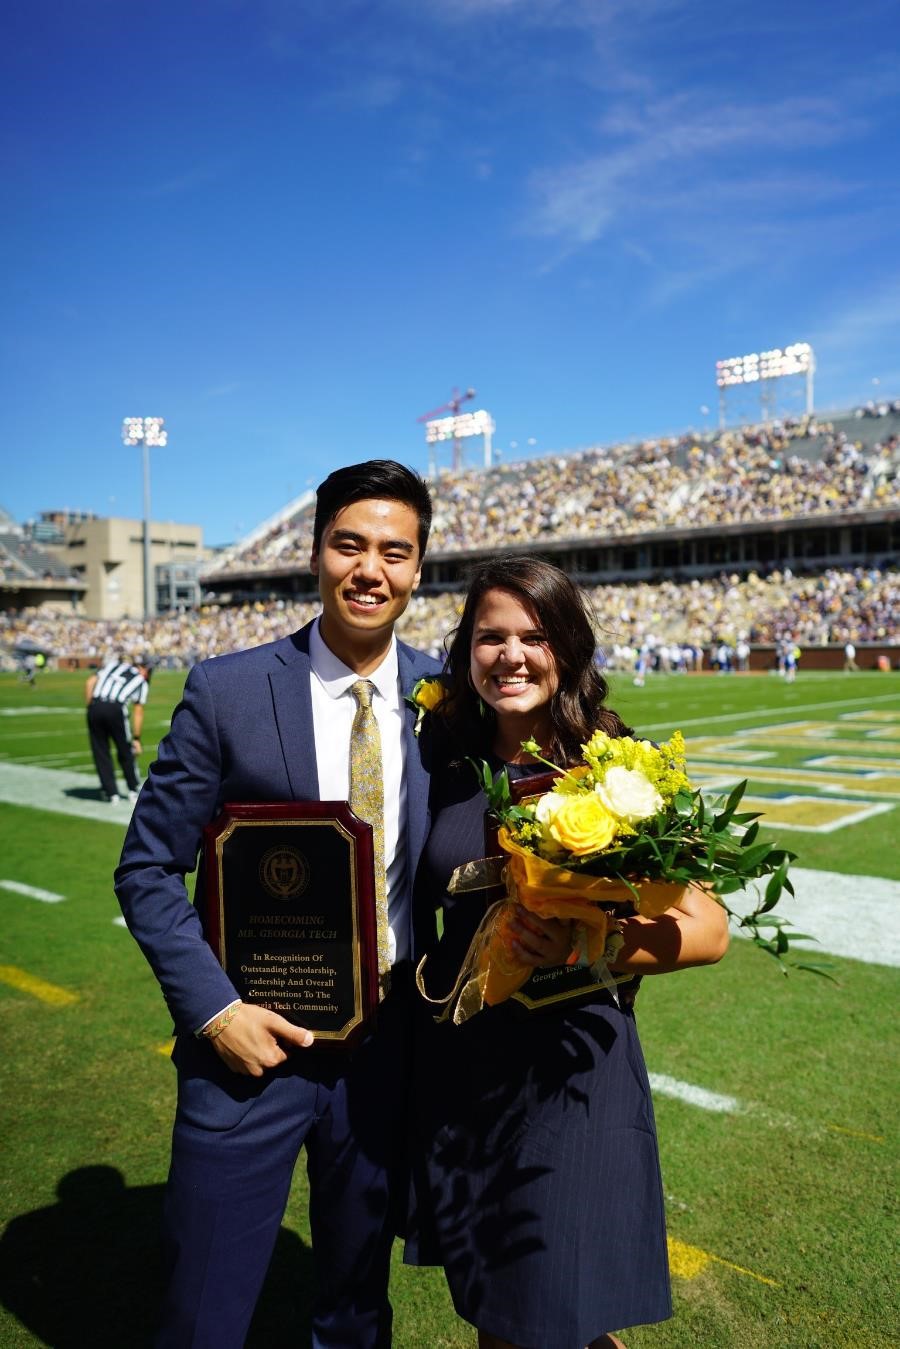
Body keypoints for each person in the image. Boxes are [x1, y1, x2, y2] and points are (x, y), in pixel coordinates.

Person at [114, 461, 440, 1348]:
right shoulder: (226, 690)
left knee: (355, 1306)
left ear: (418, 570)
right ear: (315, 551)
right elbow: (147, 868)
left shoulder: (446, 697)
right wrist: (216, 1011)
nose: (370, 569)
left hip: (387, 1046)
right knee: (203, 1306)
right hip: (253, 1046)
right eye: (350, 544)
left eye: (394, 552)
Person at [406, 557, 729, 1349]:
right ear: (465, 649)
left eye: (534, 636)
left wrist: (603, 941)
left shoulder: (620, 765)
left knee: (550, 1305)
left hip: (571, 1068)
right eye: (491, 636)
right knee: (497, 1307)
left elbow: (710, 927)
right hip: (466, 1064)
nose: (511, 654)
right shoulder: (440, 758)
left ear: (568, 647)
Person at [85, 655, 152, 803]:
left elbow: (90, 682)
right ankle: (133, 789)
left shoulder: (113, 665)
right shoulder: (141, 681)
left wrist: (91, 706)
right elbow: (138, 712)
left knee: (101, 751)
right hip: (116, 708)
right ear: (143, 669)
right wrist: (136, 738)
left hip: (96, 705)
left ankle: (111, 792)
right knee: (126, 750)